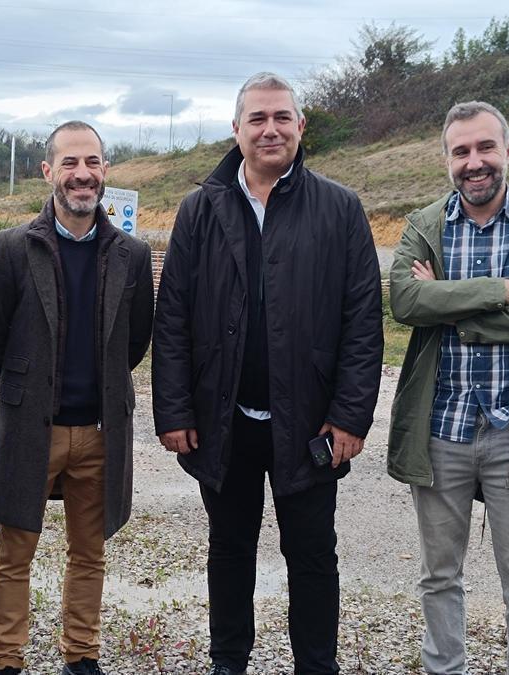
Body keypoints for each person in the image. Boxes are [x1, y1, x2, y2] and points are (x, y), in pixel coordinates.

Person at [151, 72, 384, 674]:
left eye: (282, 117)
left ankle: (316, 666)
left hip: (308, 422)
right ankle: (229, 661)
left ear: (300, 127)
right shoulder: (200, 209)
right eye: (257, 118)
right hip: (222, 418)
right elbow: (172, 313)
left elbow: (362, 321)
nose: (270, 129)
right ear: (237, 130)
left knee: (312, 555)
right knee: (229, 550)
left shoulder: (339, 208)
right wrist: (174, 410)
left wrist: (350, 415)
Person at [387, 101, 509, 675]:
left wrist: (449, 305)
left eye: (485, 148)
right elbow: (404, 301)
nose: (475, 162)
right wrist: (499, 290)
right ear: (447, 159)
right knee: (439, 574)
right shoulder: (424, 224)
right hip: (441, 427)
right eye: (461, 151)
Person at [0, 120, 154, 675]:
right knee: (15, 553)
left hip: (101, 432)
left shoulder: (131, 253)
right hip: (34, 425)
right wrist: (27, 388)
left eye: (93, 163)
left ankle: (81, 655)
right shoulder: (13, 247)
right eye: (71, 163)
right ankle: (5, 658)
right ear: (49, 171)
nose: (83, 175)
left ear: (105, 171)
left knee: (90, 552)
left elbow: (135, 341)